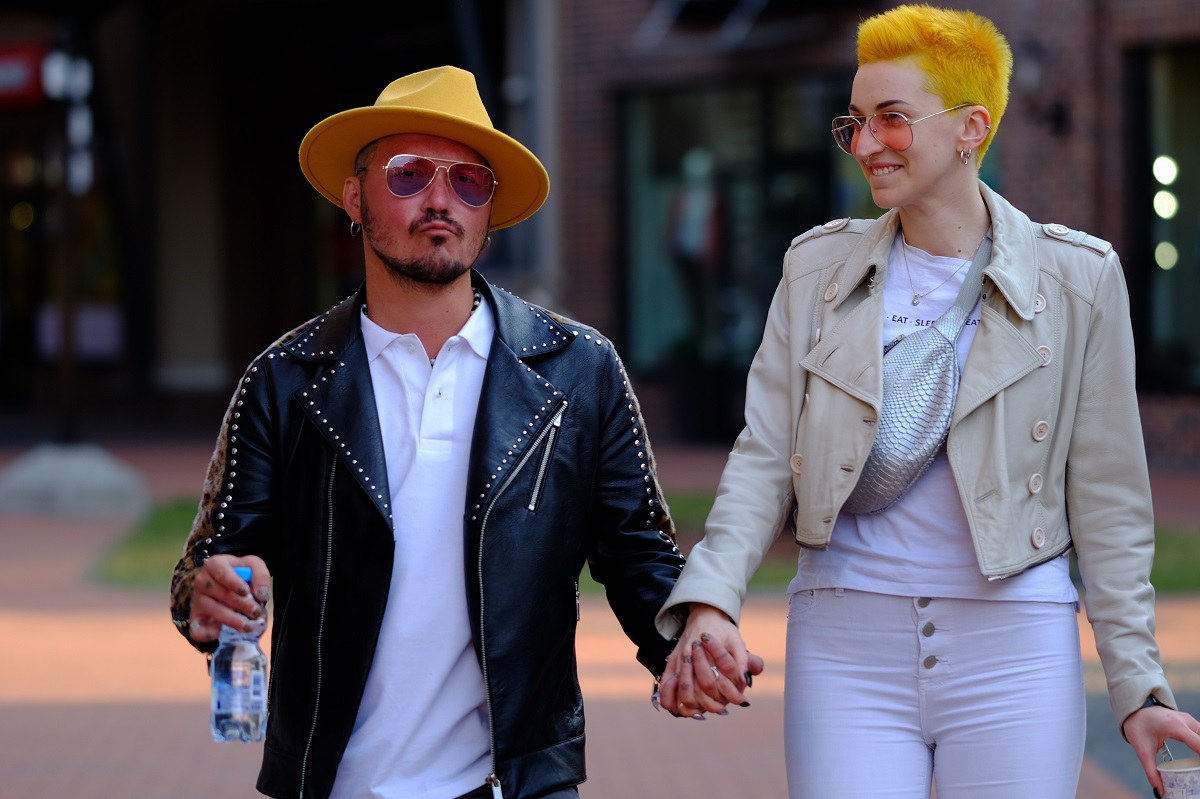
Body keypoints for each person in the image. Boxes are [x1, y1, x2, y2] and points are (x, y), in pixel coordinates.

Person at [654, 5, 1200, 798]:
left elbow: (1110, 500)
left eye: (892, 119)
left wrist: (1139, 689)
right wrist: (712, 599)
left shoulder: (1078, 280)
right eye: (855, 122)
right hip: (845, 642)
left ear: (972, 128)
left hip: (1015, 650)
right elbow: (766, 455)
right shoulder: (816, 270)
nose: (865, 144)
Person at [169, 65, 687, 799]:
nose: (441, 200)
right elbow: (213, 558)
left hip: (515, 784)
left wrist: (689, 643)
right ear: (355, 198)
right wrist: (209, 595)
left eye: (468, 182)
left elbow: (639, 552)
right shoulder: (284, 379)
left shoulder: (579, 369)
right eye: (409, 174)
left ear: (489, 210)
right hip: (335, 782)